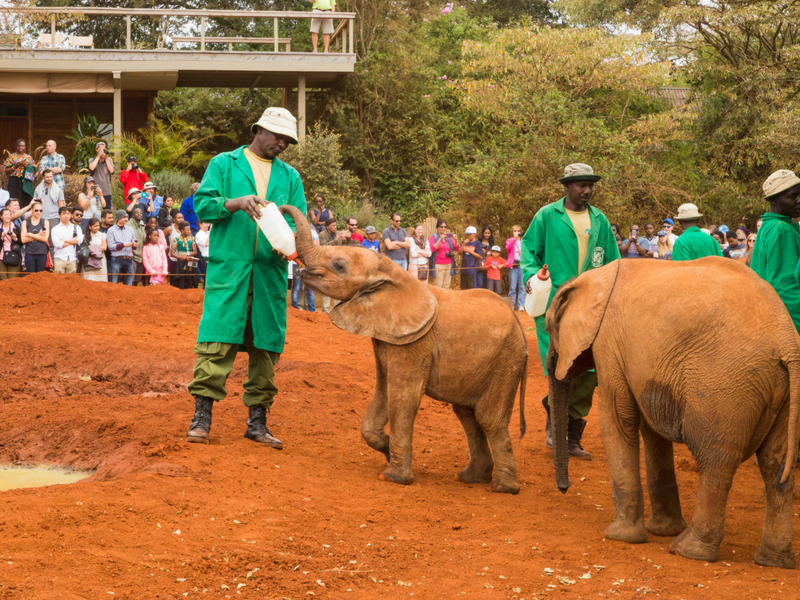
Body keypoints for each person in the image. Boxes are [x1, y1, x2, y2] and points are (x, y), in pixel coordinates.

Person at [186, 106, 306, 450]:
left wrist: (293, 245)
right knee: (216, 342)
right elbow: (203, 205)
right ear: (259, 131)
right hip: (231, 270)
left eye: (287, 140)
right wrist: (236, 203)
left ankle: (258, 423)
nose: (282, 144)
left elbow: (298, 221)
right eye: (278, 137)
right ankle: (201, 419)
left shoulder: (290, 177)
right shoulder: (224, 164)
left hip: (269, 273)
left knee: (266, 347)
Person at [521, 163, 620, 460]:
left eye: (590, 185)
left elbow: (613, 262)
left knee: (590, 369)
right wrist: (534, 275)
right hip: (555, 304)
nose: (587, 190)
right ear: (567, 186)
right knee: (559, 368)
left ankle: (572, 433)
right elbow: (528, 251)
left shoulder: (600, 220)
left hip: (591, 304)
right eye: (580, 185)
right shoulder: (547, 216)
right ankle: (556, 428)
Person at [751, 169, 800, 334]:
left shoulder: (768, 226)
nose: (799, 200)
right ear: (774, 200)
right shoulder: (781, 229)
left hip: (765, 315)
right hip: (788, 321)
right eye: (792, 197)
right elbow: (784, 286)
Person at [106, 209, 137, 285]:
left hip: (129, 259)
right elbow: (110, 246)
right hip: (117, 259)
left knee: (129, 284)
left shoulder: (130, 229)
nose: (126, 219)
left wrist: (135, 244)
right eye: (124, 217)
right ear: (119, 218)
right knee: (114, 283)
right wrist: (123, 245)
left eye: (127, 217)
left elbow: (134, 241)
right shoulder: (111, 230)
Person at [51, 206, 84, 274]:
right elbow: (58, 244)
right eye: (63, 213)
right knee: (59, 282)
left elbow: (80, 240)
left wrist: (64, 241)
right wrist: (73, 241)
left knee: (72, 282)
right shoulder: (55, 229)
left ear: (71, 215)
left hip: (72, 258)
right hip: (59, 258)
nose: (66, 216)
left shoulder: (76, 227)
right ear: (59, 215)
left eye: (68, 214)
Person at [1, 139, 34, 207]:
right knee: (13, 197)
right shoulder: (12, 157)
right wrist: (15, 166)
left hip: (25, 181)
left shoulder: (29, 158)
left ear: (25, 147)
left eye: (23, 146)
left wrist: (26, 166)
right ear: (16, 147)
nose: (21, 147)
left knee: (24, 199)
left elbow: (33, 172)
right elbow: (5, 170)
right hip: (14, 180)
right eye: (19, 146)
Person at [429, 219, 459, 289]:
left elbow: (456, 248)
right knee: (438, 285)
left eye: (445, 227)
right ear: (437, 227)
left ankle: (445, 300)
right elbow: (432, 249)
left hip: (449, 264)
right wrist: (440, 239)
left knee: (446, 285)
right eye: (441, 226)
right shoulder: (433, 237)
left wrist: (456, 240)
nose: (443, 228)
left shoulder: (448, 237)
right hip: (439, 264)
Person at [21, 201, 49, 273]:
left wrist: (30, 234)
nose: (38, 212)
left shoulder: (45, 222)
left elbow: (45, 239)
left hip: (42, 253)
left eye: (40, 210)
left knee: (40, 276)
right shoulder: (26, 222)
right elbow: (23, 240)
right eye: (36, 210)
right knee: (30, 275)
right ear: (32, 211)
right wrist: (38, 235)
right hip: (30, 253)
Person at [89, 141, 115, 210]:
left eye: (104, 149)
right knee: (95, 210)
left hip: (106, 190)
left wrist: (106, 159)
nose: (102, 151)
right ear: (96, 150)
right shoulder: (92, 159)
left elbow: (112, 170)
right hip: (95, 190)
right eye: (100, 150)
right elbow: (92, 167)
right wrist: (98, 157)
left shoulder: (109, 159)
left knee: (106, 210)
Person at [82, 217, 108, 282]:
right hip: (89, 262)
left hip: (100, 260)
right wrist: (97, 249)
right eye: (95, 226)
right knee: (88, 281)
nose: (97, 227)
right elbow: (84, 249)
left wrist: (90, 249)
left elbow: (104, 247)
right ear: (90, 227)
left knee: (101, 281)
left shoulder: (102, 235)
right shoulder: (84, 236)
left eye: (98, 225)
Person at [505, 225, 525, 310]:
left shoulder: (524, 241)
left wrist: (523, 252)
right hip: (513, 265)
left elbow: (529, 251)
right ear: (512, 232)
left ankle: (521, 305)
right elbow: (507, 247)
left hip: (522, 265)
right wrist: (514, 239)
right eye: (515, 231)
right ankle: (512, 305)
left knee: (522, 287)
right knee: (512, 287)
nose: (517, 232)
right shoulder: (509, 240)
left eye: (518, 231)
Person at [127, 207, 148, 286]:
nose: (139, 214)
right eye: (137, 213)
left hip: (141, 254)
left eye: (141, 213)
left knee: (138, 278)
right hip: (132, 255)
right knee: (131, 277)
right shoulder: (128, 225)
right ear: (132, 215)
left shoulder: (142, 224)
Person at [0, 207, 22, 279]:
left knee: (13, 279)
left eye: (9, 215)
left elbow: (22, 242)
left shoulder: (16, 228)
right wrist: (1, 238)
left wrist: (15, 238)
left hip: (14, 254)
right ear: (1, 216)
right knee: (3, 279)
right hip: (1, 256)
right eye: (5, 215)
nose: (7, 216)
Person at [195, 221, 210, 287]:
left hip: (213, 257)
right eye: (206, 223)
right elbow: (207, 244)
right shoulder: (198, 235)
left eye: (208, 223)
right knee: (207, 280)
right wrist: (211, 231)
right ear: (200, 224)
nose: (208, 225)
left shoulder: (209, 232)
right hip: (205, 259)